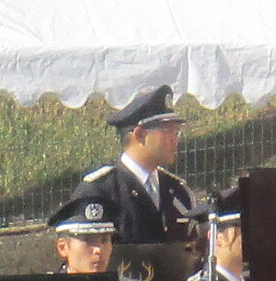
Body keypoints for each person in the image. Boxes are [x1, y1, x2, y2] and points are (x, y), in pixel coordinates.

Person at [56, 86, 197, 247]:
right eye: (168, 132)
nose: (175, 139)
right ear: (140, 135)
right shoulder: (100, 191)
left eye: (177, 132)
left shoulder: (179, 192)